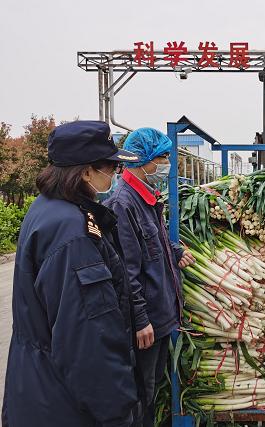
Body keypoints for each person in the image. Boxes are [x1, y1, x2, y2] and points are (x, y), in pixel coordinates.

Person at [2, 121, 142, 427]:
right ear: (86, 171)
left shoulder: (47, 209)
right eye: (112, 168)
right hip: (65, 403)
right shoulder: (73, 233)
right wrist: (117, 411)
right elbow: (87, 339)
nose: (115, 175)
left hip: (39, 387)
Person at [104, 128, 194, 427]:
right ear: (143, 160)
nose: (168, 163)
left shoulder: (146, 198)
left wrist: (176, 251)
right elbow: (127, 270)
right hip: (148, 322)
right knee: (141, 392)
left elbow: (153, 243)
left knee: (152, 386)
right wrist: (141, 319)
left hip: (160, 315)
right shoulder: (123, 203)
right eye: (164, 157)